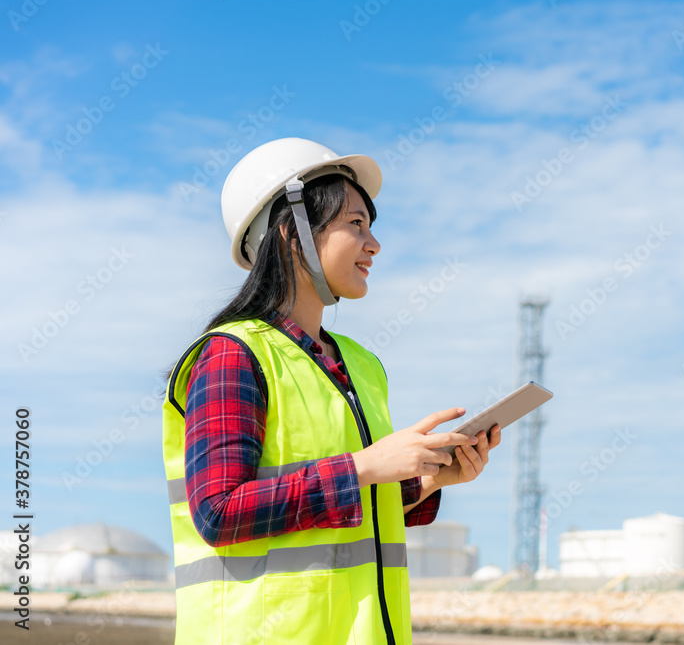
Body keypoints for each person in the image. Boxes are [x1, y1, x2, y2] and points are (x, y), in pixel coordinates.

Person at [161, 137, 499, 645]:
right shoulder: (233, 354)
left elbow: (348, 514)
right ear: (291, 230)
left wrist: (430, 478)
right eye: (356, 225)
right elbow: (219, 511)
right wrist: (366, 466)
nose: (374, 244)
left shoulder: (362, 365)